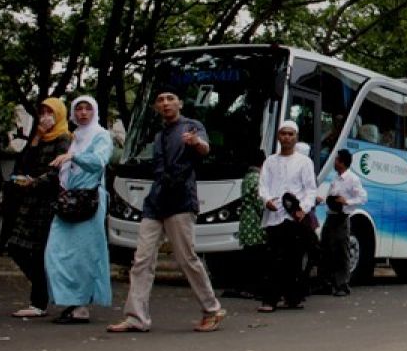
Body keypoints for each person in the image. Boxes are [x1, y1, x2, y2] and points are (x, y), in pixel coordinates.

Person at [108, 89, 226, 333]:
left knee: (186, 258)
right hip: (155, 202)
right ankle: (136, 317)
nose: (165, 103)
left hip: (181, 200)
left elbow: (205, 148)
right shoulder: (160, 135)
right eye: (160, 100)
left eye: (170, 98)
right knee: (141, 259)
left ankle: (212, 309)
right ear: (156, 107)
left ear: (180, 103)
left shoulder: (192, 126)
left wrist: (196, 143)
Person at [45, 96, 113, 324]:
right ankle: (71, 300)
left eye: (88, 108)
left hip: (89, 199)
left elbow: (99, 161)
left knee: (84, 254)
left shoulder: (101, 135)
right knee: (55, 251)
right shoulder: (76, 137)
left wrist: (75, 156)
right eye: (79, 109)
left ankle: (80, 305)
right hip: (69, 198)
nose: (83, 113)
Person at [6, 98, 72, 318]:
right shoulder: (41, 139)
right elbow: (24, 164)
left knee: (38, 252)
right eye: (42, 112)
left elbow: (59, 172)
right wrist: (35, 137)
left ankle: (39, 301)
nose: (45, 116)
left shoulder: (64, 140)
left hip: (48, 203)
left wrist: (34, 182)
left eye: (49, 112)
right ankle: (43, 292)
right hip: (30, 202)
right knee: (16, 246)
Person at [257, 120, 317, 312]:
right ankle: (270, 300)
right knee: (273, 258)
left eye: (291, 134)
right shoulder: (270, 161)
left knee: (293, 258)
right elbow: (263, 186)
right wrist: (266, 200)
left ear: (296, 137)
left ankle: (293, 298)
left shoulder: (304, 162)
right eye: (284, 133)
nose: (287, 137)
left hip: (294, 217)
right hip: (274, 216)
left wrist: (304, 208)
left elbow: (310, 190)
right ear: (278, 137)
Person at [320, 148, 367, 297]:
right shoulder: (336, 178)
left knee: (341, 250)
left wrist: (347, 201)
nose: (334, 161)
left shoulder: (352, 179)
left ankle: (342, 284)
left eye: (336, 159)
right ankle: (327, 283)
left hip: (341, 217)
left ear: (342, 162)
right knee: (326, 248)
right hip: (331, 216)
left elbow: (363, 197)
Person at [230, 149, 268, 300]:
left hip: (246, 220)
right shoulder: (257, 179)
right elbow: (260, 202)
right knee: (256, 256)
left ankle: (245, 287)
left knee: (248, 254)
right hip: (255, 222)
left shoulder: (247, 177)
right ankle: (253, 288)